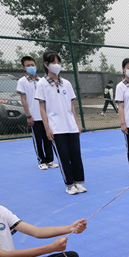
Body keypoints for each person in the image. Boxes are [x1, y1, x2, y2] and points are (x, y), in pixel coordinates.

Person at [35, 50, 86, 195]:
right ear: (46, 64)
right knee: (63, 157)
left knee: (76, 155)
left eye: (58, 62)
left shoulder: (67, 84)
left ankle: (78, 182)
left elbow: (71, 105)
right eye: (53, 62)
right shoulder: (42, 84)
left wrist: (76, 124)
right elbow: (42, 108)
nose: (57, 65)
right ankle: (69, 184)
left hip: (70, 126)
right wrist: (47, 128)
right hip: (56, 127)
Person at [17, 55, 57, 170]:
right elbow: (23, 100)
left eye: (32, 65)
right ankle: (41, 160)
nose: (31, 67)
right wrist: (28, 115)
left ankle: (50, 160)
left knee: (49, 138)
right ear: (24, 68)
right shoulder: (22, 82)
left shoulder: (42, 81)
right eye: (28, 66)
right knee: (38, 140)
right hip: (34, 116)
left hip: (45, 116)